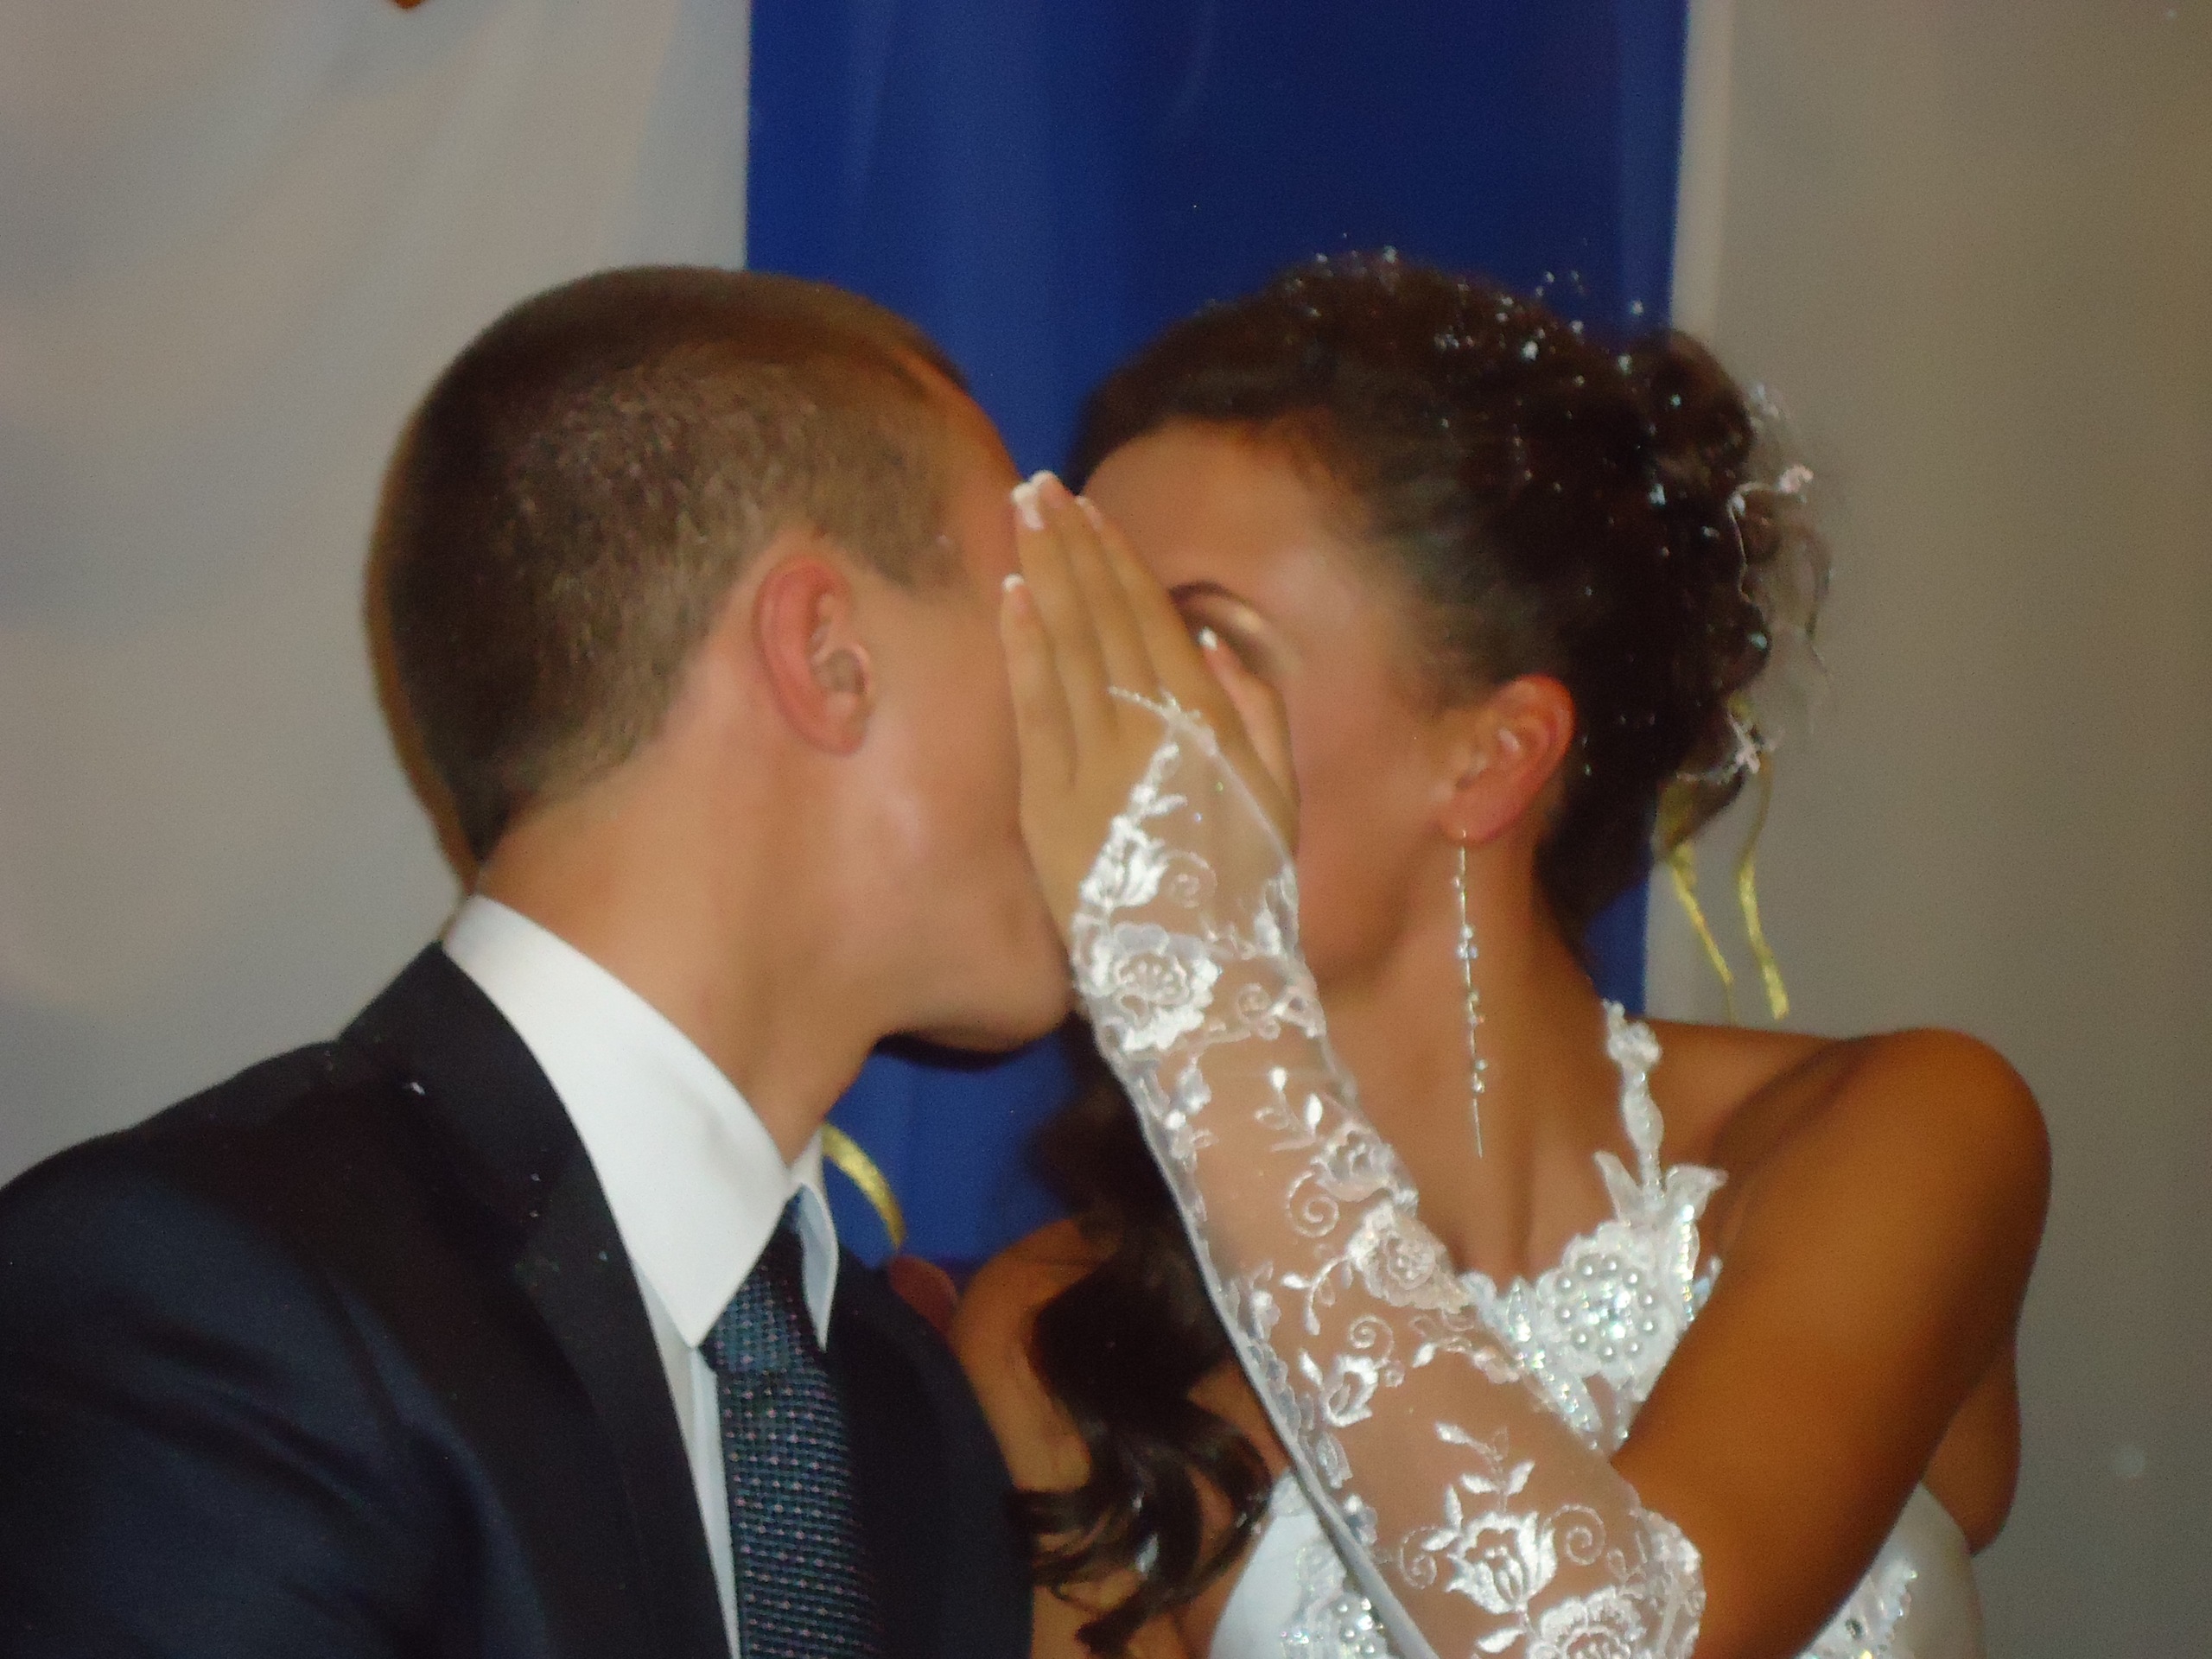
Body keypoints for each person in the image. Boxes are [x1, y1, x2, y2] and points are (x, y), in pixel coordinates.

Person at [955, 257, 2050, 1659]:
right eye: (1070, 641)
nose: (1087, 723)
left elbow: (1610, 1640)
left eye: (1197, 646)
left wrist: (1191, 986)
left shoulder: (1905, 1131)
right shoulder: (1064, 1333)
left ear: (1493, 757)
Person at [0, 267, 1064, 1658]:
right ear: (826, 655)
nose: (1108, 746)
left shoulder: (911, 1413)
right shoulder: (208, 1309)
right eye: (1037, 630)